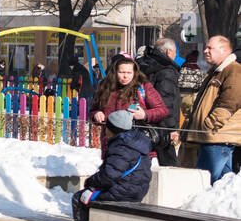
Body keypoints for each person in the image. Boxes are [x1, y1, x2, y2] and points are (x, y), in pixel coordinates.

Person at [71, 109, 152, 221]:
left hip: (123, 191)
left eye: (106, 127)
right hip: (135, 189)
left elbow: (109, 176)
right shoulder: (134, 140)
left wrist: (90, 182)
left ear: (113, 129)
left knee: (79, 198)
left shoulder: (122, 146)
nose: (104, 130)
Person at [184, 35, 241, 184]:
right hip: (215, 137)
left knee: (203, 182)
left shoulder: (233, 70)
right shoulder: (217, 71)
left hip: (216, 136)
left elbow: (230, 102)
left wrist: (209, 125)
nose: (205, 50)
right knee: (223, 185)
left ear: (224, 50)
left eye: (210, 48)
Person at [90, 54, 168, 153]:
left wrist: (145, 115)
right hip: (110, 145)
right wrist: (96, 115)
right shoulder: (105, 87)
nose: (125, 76)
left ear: (135, 73)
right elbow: (93, 110)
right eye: (121, 72)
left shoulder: (143, 87)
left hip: (137, 146)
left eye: (129, 72)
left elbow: (162, 110)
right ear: (115, 72)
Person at [137, 38, 182, 166]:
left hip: (143, 120)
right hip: (161, 125)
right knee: (170, 164)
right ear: (169, 52)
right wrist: (171, 128)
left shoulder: (144, 63)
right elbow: (166, 100)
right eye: (174, 52)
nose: (175, 56)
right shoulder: (167, 70)